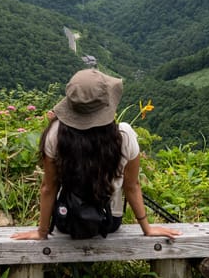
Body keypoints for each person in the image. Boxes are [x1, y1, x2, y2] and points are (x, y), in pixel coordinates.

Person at [11, 68, 182, 241]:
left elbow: (49, 187)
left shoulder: (55, 135)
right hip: (108, 222)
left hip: (67, 220)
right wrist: (147, 228)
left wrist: (42, 232)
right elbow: (132, 186)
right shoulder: (123, 134)